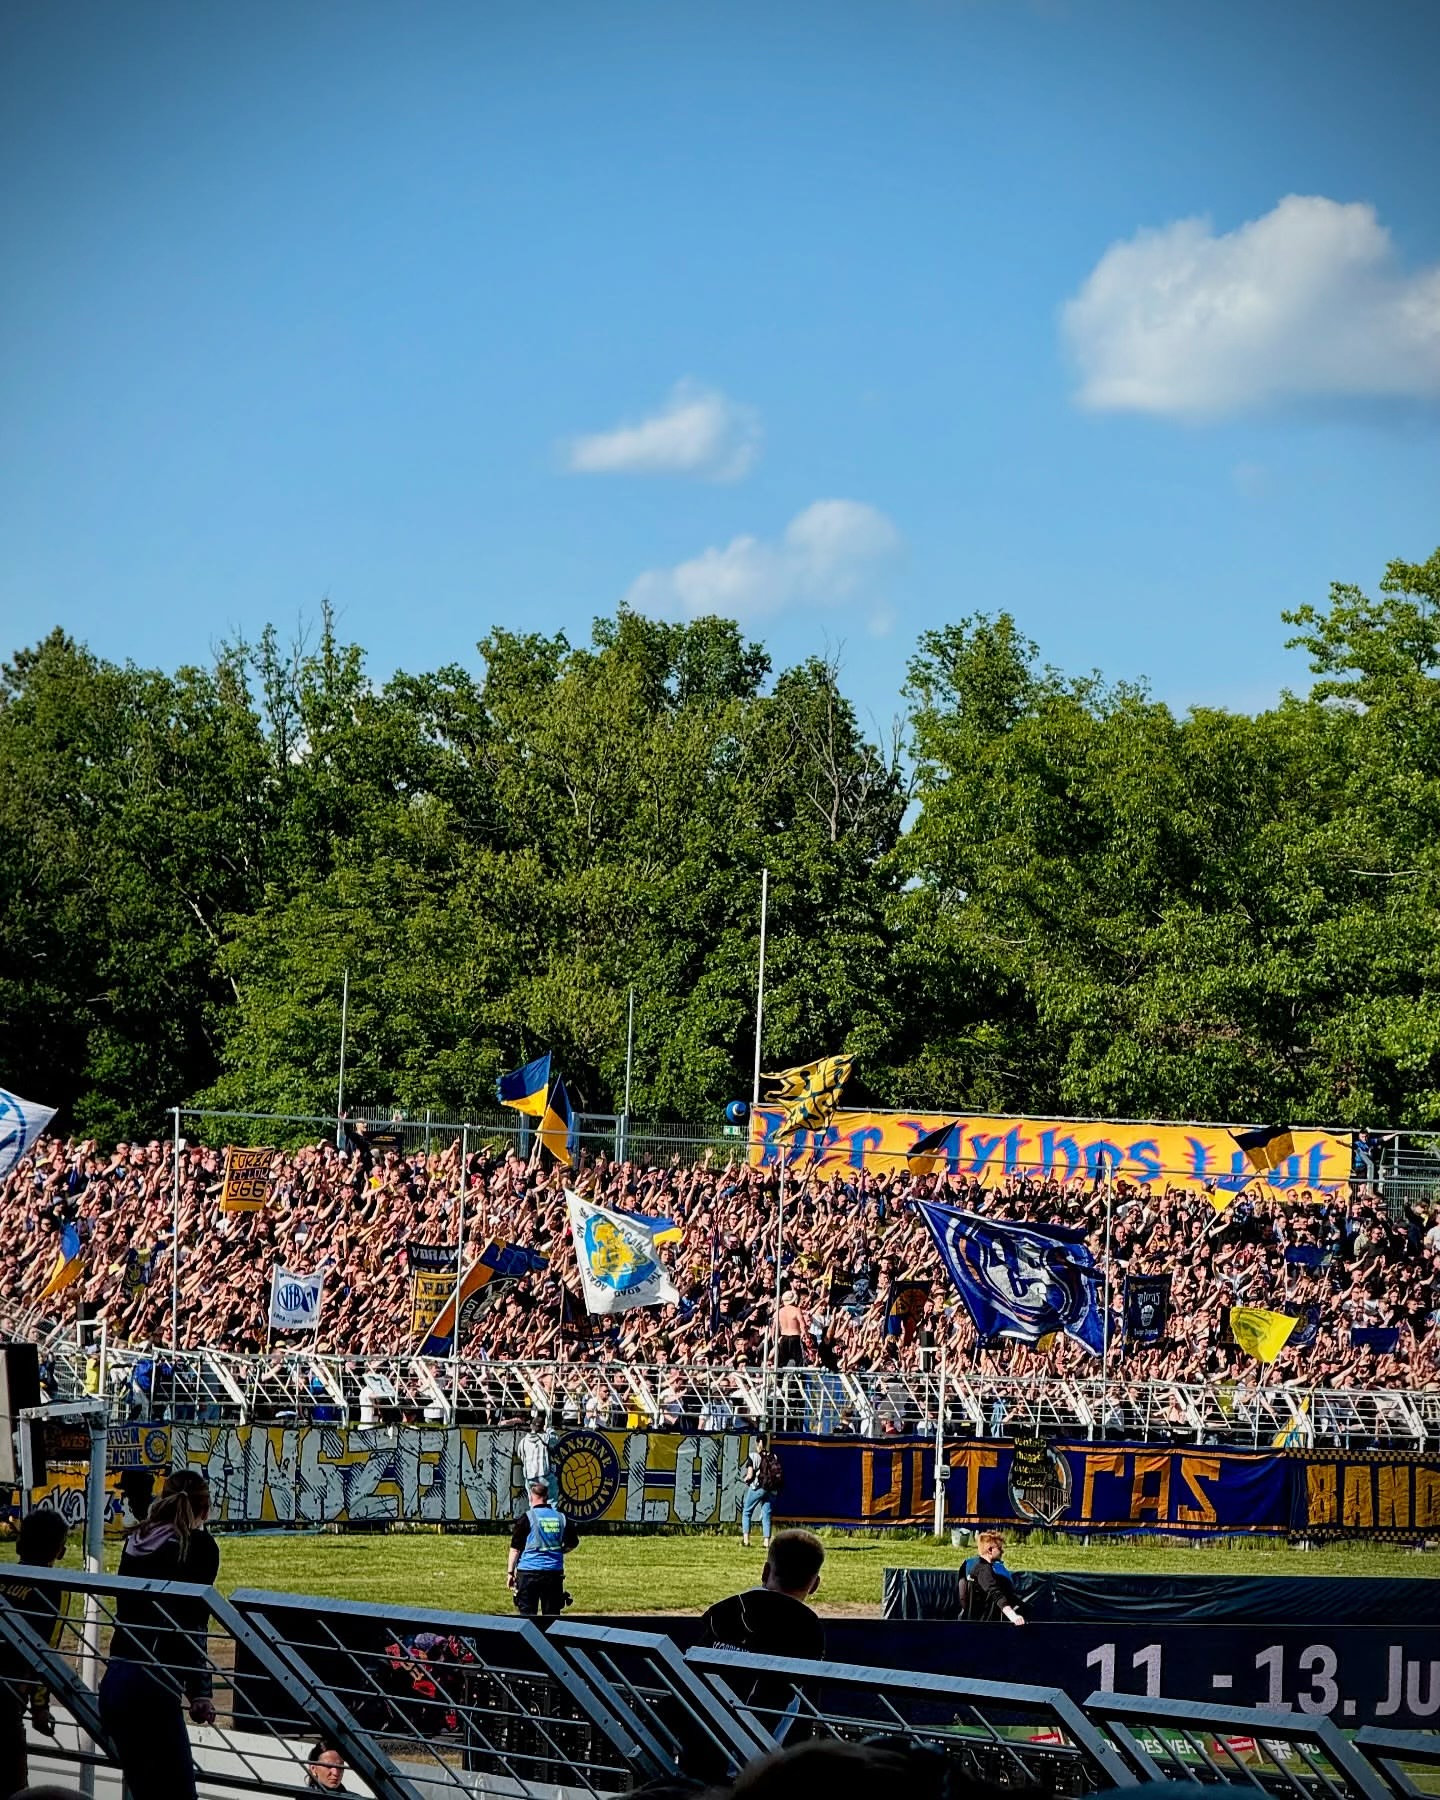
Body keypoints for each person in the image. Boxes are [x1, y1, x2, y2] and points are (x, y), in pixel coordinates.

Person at [98, 1470, 220, 1800]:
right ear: (205, 1509)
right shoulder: (200, 1547)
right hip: (153, 1685)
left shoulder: (136, 1540)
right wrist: (200, 1692)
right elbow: (193, 1624)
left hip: (118, 1676)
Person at [701, 1531, 826, 1737]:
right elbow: (805, 1704)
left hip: (700, 1736)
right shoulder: (808, 1628)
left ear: (765, 1571)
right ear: (814, 1585)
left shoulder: (727, 1610)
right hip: (761, 1747)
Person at [0, 1510, 70, 1799]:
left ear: (19, 1545)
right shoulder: (54, 1590)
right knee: (13, 1786)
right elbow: (43, 1652)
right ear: (62, 1550)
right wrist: (40, 1708)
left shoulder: (4, 1576)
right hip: (7, 1700)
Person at [506, 1477, 578, 1617]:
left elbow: (515, 1549)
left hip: (528, 1573)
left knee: (527, 1617)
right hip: (553, 1574)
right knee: (551, 1618)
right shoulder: (561, 1518)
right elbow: (573, 1543)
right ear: (546, 1496)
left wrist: (510, 1573)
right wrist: (561, 1551)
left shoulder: (527, 1518)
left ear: (531, 1496)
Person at [962, 1531, 1025, 1626]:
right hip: (985, 1628)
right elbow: (995, 1593)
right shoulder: (983, 1569)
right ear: (990, 1550)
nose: (1002, 1551)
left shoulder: (981, 1567)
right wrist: (1013, 1616)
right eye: (999, 1548)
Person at [740, 1433, 783, 1549]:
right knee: (766, 1515)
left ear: (758, 1442)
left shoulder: (754, 1456)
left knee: (747, 1512)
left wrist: (745, 1480)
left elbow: (749, 1475)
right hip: (772, 1489)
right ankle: (766, 1542)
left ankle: (746, 1540)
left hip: (759, 1488)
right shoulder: (773, 1456)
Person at [519, 1415, 559, 1503]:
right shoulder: (545, 1437)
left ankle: (534, 1516)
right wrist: (549, 1429)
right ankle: (551, 1516)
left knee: (533, 1502)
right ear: (542, 1427)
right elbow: (556, 1439)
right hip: (544, 1475)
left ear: (531, 1426)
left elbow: (521, 1457)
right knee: (552, 1500)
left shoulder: (523, 1442)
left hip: (529, 1477)